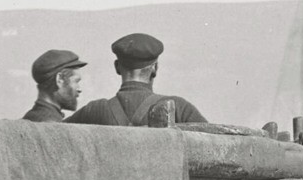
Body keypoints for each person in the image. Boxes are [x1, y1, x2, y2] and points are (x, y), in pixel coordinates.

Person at [65, 32, 208, 127]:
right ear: (155, 68)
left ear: (117, 67)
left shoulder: (95, 110)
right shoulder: (179, 107)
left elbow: (52, 133)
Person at [21, 49, 85, 122]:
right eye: (76, 81)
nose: (79, 89)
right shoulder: (50, 123)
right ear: (60, 79)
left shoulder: (31, 117)